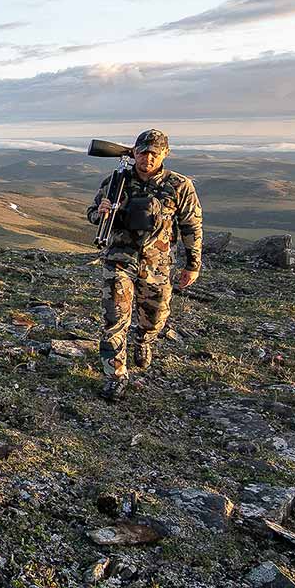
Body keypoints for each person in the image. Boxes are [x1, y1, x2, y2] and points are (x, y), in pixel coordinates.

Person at [86, 128, 203, 402]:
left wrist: (193, 264)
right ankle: (115, 376)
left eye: (154, 153)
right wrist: (98, 213)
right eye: (143, 152)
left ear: (164, 154)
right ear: (134, 152)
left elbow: (191, 225)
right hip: (119, 261)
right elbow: (92, 213)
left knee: (154, 317)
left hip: (157, 266)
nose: (147, 158)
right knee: (115, 318)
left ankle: (145, 340)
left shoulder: (179, 186)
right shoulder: (117, 181)